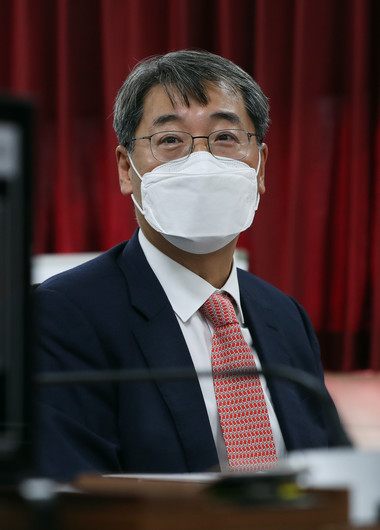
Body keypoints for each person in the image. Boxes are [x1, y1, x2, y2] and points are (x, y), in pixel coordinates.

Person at [34, 49, 347, 481]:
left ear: (260, 167)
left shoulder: (285, 317)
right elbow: (79, 494)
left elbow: (335, 475)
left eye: (225, 137)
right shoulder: (65, 315)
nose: (201, 162)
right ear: (126, 169)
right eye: (170, 140)